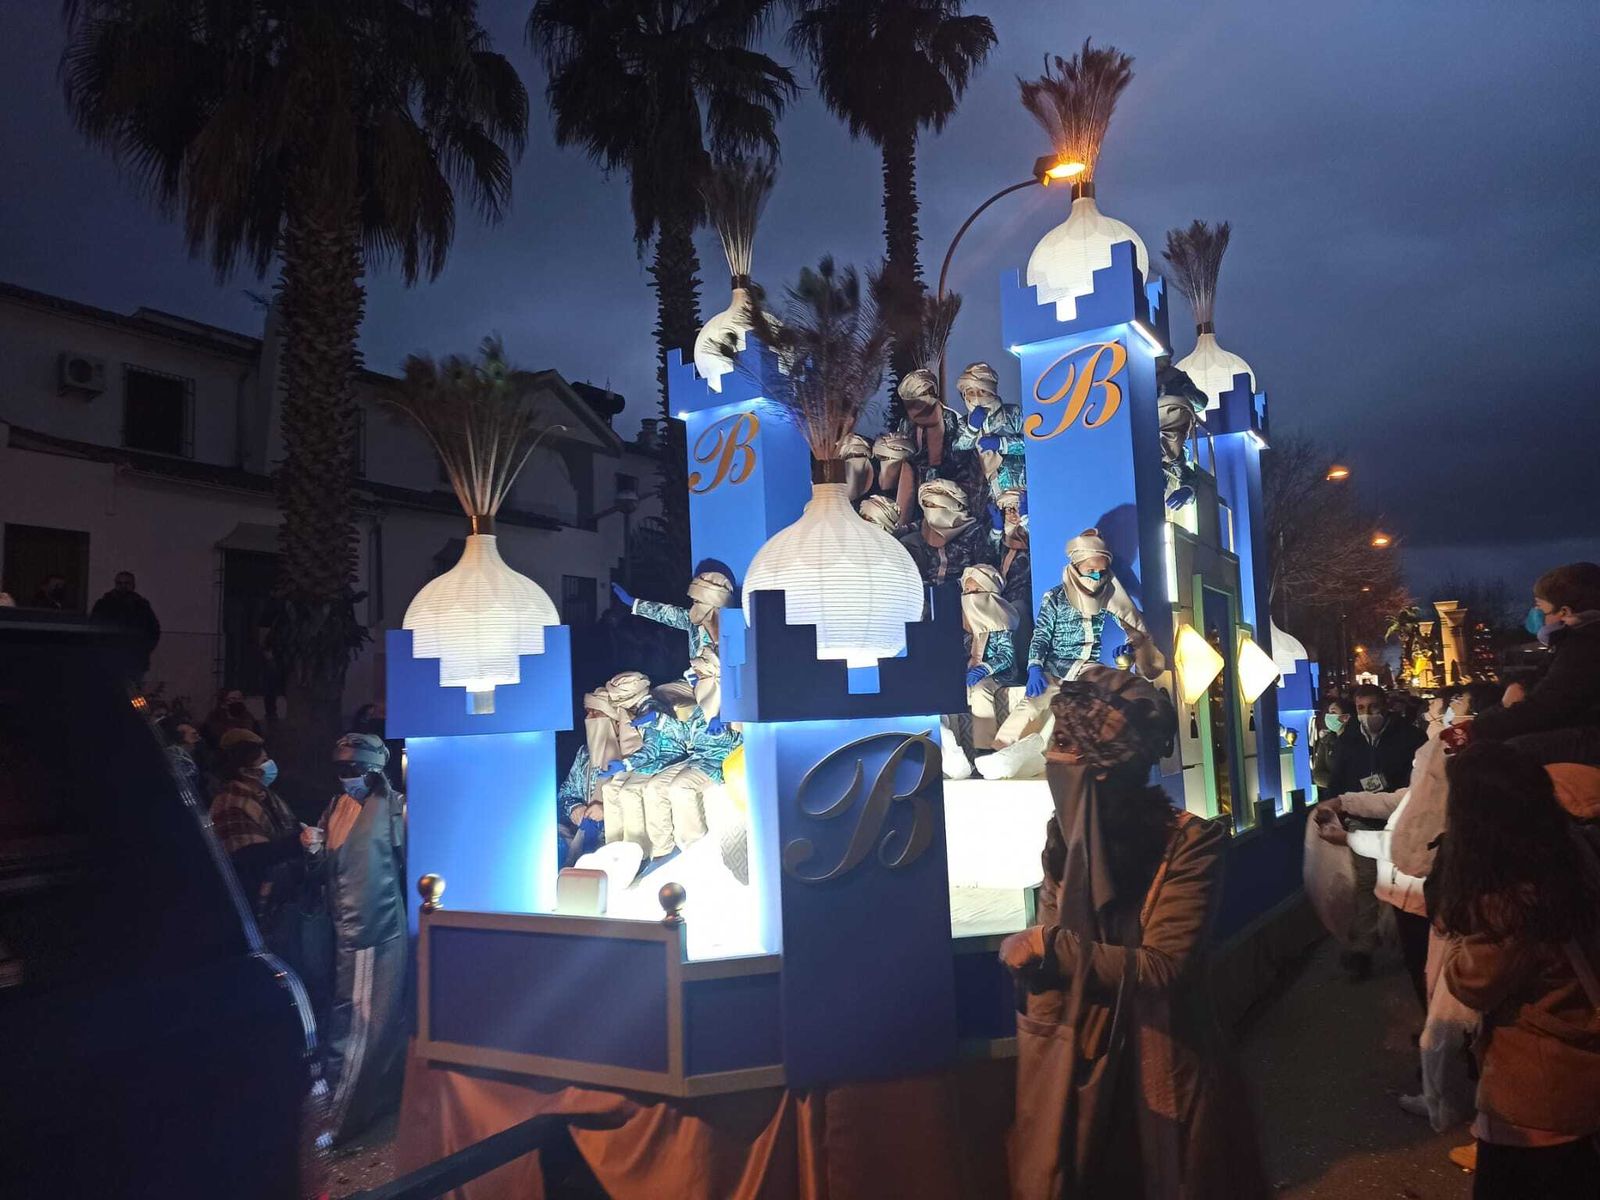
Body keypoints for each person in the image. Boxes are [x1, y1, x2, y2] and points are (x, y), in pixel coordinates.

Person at [1000, 666, 1269, 1199]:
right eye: (1056, 743)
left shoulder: (1190, 843)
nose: (1056, 760)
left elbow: (1164, 966)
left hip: (1160, 1064)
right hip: (1077, 1060)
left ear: (1109, 767)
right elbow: (1055, 924)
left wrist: (1048, 946)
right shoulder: (1062, 836)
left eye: (1069, 745)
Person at [1437, 741, 1600, 1199]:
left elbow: (1471, 982)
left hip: (1538, 1100)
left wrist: (1452, 943)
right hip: (1579, 1076)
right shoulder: (1571, 858)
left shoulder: (1506, 903)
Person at [305, 733, 407, 1143]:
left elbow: (407, 861)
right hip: (343, 930)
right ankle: (345, 1096)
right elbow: (327, 869)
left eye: (355, 770)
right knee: (349, 1015)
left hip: (376, 929)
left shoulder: (395, 808)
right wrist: (311, 851)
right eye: (342, 770)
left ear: (373, 769)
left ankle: (345, 1118)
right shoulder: (336, 807)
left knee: (367, 1023)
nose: (348, 778)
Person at [993, 529, 1161, 750]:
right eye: (1091, 571)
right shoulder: (1055, 598)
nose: (1097, 577)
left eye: (1101, 572)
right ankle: (999, 748)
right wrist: (1034, 667)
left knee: (1109, 693)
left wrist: (1130, 648)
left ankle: (1110, 750)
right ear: (1076, 566)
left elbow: (1132, 625)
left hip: (1087, 667)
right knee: (1031, 704)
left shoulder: (1106, 594)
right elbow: (1041, 635)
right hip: (1056, 666)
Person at [1322, 682, 1426, 979]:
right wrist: (1335, 810)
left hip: (1399, 821)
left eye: (1373, 708)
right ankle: (1364, 948)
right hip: (1360, 820)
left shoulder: (1409, 737)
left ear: (1385, 706)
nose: (1367, 715)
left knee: (1399, 883)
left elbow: (1413, 785)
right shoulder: (1348, 740)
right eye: (1361, 709)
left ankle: (1405, 943)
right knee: (1366, 883)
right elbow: (1337, 780)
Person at [1470, 562, 1600, 765]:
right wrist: (1516, 686)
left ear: (1564, 612)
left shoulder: (1585, 645)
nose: (1535, 614)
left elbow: (1547, 706)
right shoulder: (1572, 641)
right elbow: (1542, 682)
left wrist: (1474, 729)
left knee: (1505, 755)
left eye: (1541, 608)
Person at [959, 564, 1021, 751]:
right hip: (970, 670)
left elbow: (1006, 655)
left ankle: (984, 748)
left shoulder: (1001, 620)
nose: (971, 596)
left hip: (997, 675)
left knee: (980, 691)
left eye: (977, 591)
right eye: (967, 591)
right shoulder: (964, 622)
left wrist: (984, 669)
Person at [950, 361, 1026, 504]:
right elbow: (957, 451)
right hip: (985, 494)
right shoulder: (964, 423)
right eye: (971, 392)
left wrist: (1002, 444)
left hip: (1018, 487)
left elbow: (1034, 443)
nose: (977, 397)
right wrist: (971, 430)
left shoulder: (1012, 414)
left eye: (982, 391)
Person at [90, 571, 160, 672]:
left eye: (126, 583)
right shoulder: (103, 604)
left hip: (134, 659)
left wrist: (142, 651)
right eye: (119, 583)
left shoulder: (141, 605)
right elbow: (94, 628)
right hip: (108, 659)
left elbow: (153, 630)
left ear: (133, 585)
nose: (123, 586)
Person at [1310, 696, 1353, 791]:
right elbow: (1317, 774)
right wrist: (1339, 784)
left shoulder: (1358, 741)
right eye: (1328, 712)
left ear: (1346, 717)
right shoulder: (1326, 740)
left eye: (1333, 712)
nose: (1328, 716)